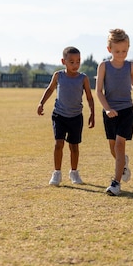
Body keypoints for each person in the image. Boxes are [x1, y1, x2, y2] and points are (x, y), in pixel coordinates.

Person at [37, 46, 95, 186]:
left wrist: (92, 113)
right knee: (59, 144)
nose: (75, 65)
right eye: (72, 62)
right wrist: (41, 103)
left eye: (78, 61)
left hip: (76, 117)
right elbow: (50, 89)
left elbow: (89, 96)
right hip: (59, 115)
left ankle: (74, 172)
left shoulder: (83, 78)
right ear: (64, 61)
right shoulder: (59, 76)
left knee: (74, 146)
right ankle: (57, 173)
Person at [96, 28, 133, 196]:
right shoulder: (103, 66)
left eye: (124, 50)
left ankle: (115, 183)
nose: (121, 54)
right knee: (113, 149)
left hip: (126, 111)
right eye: (117, 51)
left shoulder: (131, 66)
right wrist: (107, 109)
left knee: (119, 144)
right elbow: (99, 91)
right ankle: (123, 163)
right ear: (109, 50)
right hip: (109, 112)